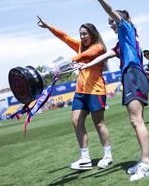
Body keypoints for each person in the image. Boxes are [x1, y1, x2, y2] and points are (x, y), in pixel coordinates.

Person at [80, 0, 149, 182]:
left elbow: (110, 10)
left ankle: (147, 163)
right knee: (136, 120)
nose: (112, 25)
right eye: (110, 24)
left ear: (122, 19)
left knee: (136, 121)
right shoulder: (122, 43)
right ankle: (146, 161)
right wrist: (85, 66)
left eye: (113, 22)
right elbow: (106, 55)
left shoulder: (127, 27)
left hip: (133, 75)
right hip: (132, 76)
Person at [37, 19, 113, 170]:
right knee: (76, 122)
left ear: (92, 34)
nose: (82, 36)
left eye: (85, 34)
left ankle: (108, 155)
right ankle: (85, 158)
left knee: (99, 123)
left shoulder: (98, 47)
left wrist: (62, 64)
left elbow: (83, 56)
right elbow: (65, 37)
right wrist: (49, 27)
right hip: (80, 91)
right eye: (80, 34)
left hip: (95, 90)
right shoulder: (79, 47)